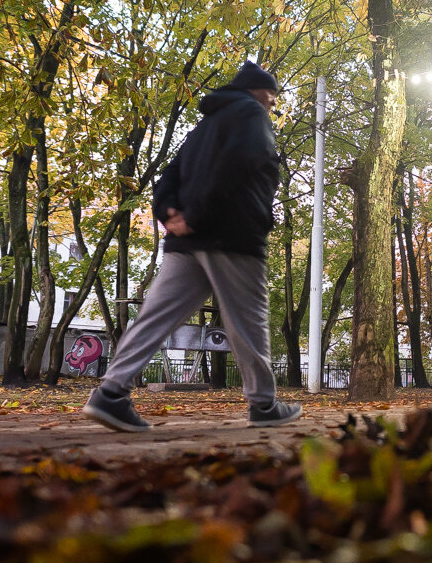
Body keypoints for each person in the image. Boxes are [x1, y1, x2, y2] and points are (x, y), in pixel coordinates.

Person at [83, 60, 302, 431]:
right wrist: (197, 215)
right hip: (232, 236)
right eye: (269, 99)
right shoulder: (251, 115)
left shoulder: (205, 126)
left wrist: (169, 213)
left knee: (156, 316)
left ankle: (111, 393)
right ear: (256, 94)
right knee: (248, 321)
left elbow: (171, 172)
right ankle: (264, 405)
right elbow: (236, 167)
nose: (270, 107)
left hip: (186, 240)